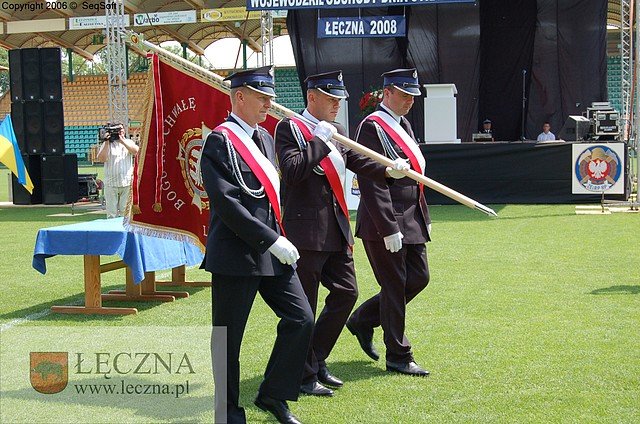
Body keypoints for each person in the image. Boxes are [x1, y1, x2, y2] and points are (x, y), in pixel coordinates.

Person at [275, 71, 409, 397]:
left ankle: (315, 359)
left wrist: (388, 169)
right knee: (305, 306)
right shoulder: (290, 128)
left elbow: (358, 161)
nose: (337, 105)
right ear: (311, 98)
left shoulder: (337, 130)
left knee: (347, 293)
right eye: (331, 99)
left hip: (336, 230)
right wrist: (319, 141)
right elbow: (292, 172)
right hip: (305, 232)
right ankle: (303, 375)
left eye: (339, 100)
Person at [200, 66, 313, 424]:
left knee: (301, 319)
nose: (268, 104)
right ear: (239, 97)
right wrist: (271, 240)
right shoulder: (219, 141)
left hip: (271, 251)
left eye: (270, 98)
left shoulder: (264, 138)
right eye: (261, 97)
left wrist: (276, 239)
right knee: (228, 339)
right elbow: (227, 203)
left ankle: (273, 394)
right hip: (236, 253)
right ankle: (228, 412)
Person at [346, 68, 432, 377]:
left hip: (411, 217)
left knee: (418, 278)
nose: (410, 101)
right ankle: (398, 355)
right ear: (388, 93)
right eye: (405, 94)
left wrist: (424, 215)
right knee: (394, 286)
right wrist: (387, 226)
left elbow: (415, 177)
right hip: (384, 221)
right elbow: (371, 180)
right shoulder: (373, 126)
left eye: (413, 96)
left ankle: (362, 320)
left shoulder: (403, 124)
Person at [96, 122, 139, 218]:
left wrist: (122, 141)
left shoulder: (128, 142)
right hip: (111, 183)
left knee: (126, 212)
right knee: (111, 213)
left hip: (126, 182)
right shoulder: (107, 144)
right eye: (117, 130)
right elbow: (102, 159)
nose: (120, 132)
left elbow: (136, 151)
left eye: (121, 129)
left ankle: (125, 227)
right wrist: (106, 141)